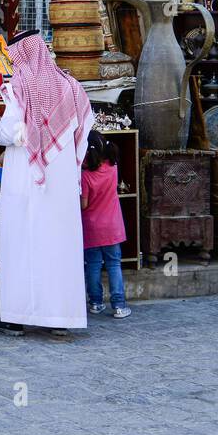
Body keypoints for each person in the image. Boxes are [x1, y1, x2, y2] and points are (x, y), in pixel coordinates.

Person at [0, 30, 93, 336]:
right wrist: (69, 164)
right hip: (61, 183)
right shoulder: (71, 86)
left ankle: (15, 317)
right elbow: (84, 131)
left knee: (20, 244)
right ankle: (61, 320)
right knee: (58, 247)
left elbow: (9, 133)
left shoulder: (19, 87)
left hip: (26, 178)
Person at [81, 131, 130, 319]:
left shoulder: (85, 175)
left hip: (92, 228)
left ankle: (95, 302)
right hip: (112, 227)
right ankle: (118, 305)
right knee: (113, 264)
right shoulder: (113, 167)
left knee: (93, 265)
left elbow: (84, 204)